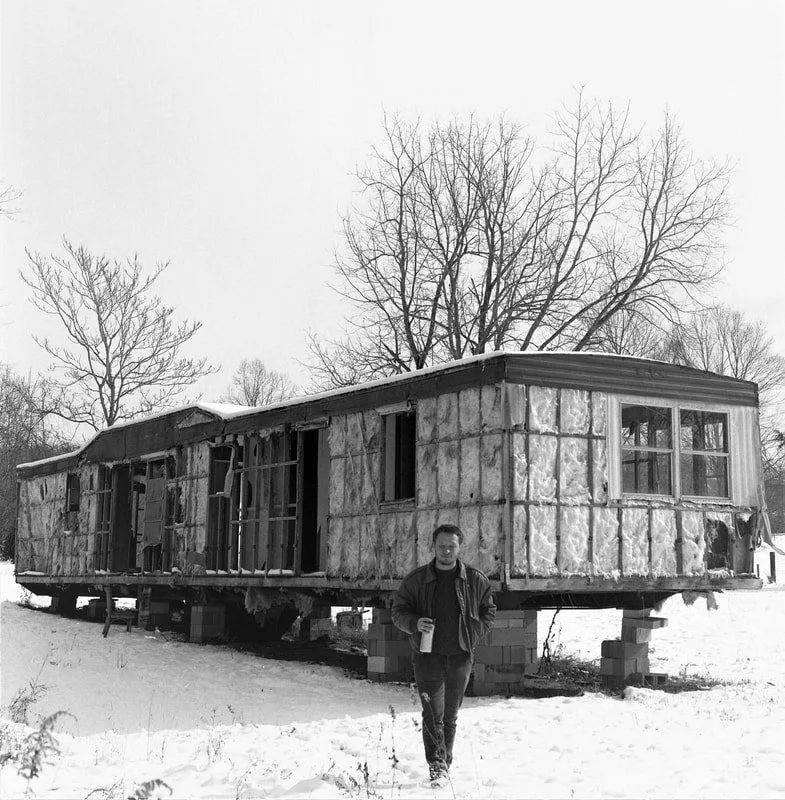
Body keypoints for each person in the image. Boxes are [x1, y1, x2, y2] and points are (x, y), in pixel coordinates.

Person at [392, 523, 496, 783]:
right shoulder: (416, 580)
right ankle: (436, 765)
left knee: (450, 715)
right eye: (442, 546)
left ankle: (445, 761)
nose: (447, 551)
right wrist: (415, 623)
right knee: (432, 714)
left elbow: (488, 611)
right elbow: (398, 612)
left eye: (451, 546)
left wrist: (474, 634)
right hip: (428, 656)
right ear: (433, 547)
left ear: (460, 547)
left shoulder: (475, 579)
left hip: (461, 656)